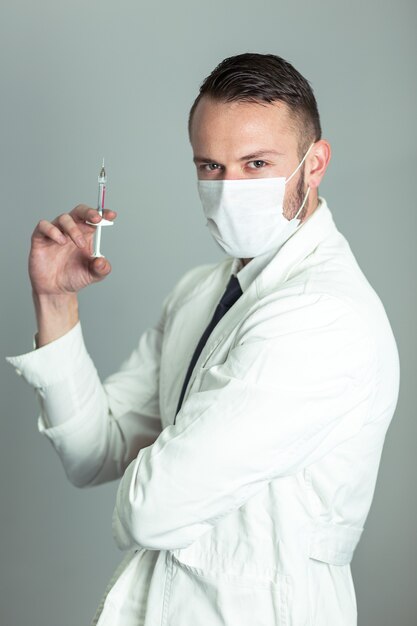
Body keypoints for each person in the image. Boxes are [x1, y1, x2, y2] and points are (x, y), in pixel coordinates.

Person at [6, 53, 400, 626]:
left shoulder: (322, 315)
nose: (229, 188)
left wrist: (156, 476)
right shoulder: (202, 292)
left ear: (315, 165)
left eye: (256, 163)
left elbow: (150, 511)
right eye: (211, 167)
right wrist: (55, 299)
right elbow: (94, 451)